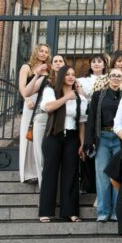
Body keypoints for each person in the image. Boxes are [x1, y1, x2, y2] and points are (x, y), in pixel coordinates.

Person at [38, 65, 87, 222]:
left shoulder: (81, 98)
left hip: (72, 137)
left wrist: (82, 143)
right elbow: (48, 107)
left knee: (71, 173)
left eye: (73, 74)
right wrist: (66, 97)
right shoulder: (50, 91)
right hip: (54, 135)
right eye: (68, 74)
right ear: (61, 76)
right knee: (50, 172)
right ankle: (45, 211)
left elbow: (81, 123)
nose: (71, 77)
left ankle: (71, 211)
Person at [85, 68, 122, 222]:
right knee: (102, 175)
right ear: (108, 77)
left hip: (120, 138)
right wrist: (88, 142)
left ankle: (117, 212)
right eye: (113, 76)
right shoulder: (99, 95)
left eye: (119, 76)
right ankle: (103, 211)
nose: (116, 78)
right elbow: (91, 119)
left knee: (118, 175)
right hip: (102, 137)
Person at [18, 43, 50, 184]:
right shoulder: (27, 67)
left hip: (44, 103)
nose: (44, 54)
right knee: (28, 135)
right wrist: (26, 100)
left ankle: (40, 171)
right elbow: (22, 87)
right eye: (41, 51)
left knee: (40, 139)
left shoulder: (48, 69)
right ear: (36, 52)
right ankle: (27, 172)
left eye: (46, 52)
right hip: (30, 102)